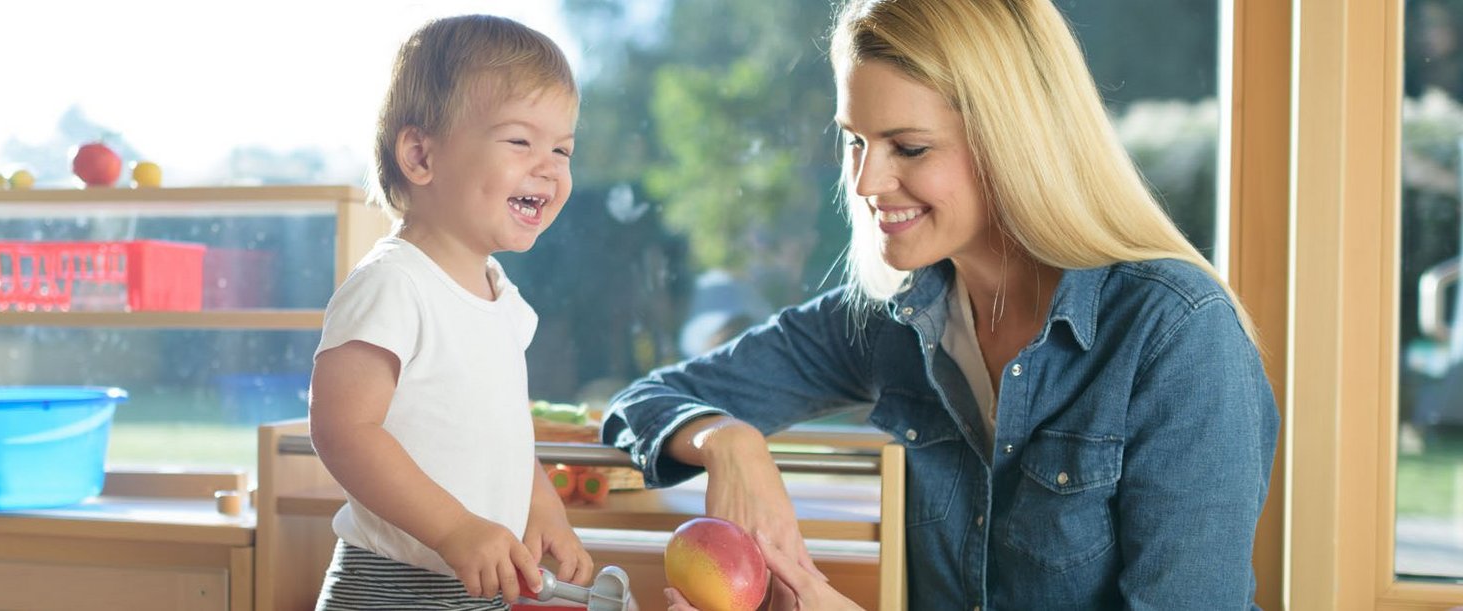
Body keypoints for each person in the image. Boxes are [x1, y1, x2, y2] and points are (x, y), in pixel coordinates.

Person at [605, 0, 1281, 609]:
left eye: (909, 146)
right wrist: (730, 441)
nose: (866, 180)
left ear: (1013, 141)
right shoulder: (890, 318)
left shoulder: (1177, 334)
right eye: (855, 140)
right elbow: (645, 400)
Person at [308, 14, 592, 610]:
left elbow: (503, 434)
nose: (550, 164)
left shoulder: (502, 302)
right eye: (520, 140)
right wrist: (454, 529)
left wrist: (541, 507)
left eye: (562, 147)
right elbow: (343, 431)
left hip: (479, 582)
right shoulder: (392, 284)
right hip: (393, 589)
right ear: (419, 155)